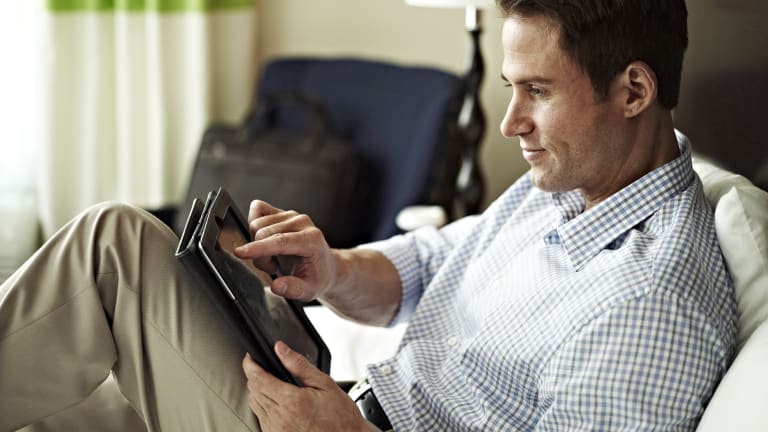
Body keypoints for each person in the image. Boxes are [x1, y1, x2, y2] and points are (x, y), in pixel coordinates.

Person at [0, 0, 737, 430]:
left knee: (113, 252)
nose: (510, 122)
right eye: (512, 87)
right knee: (71, 381)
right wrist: (330, 271)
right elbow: (431, 264)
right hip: (348, 401)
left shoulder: (649, 307)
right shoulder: (574, 185)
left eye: (537, 92)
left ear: (633, 91)